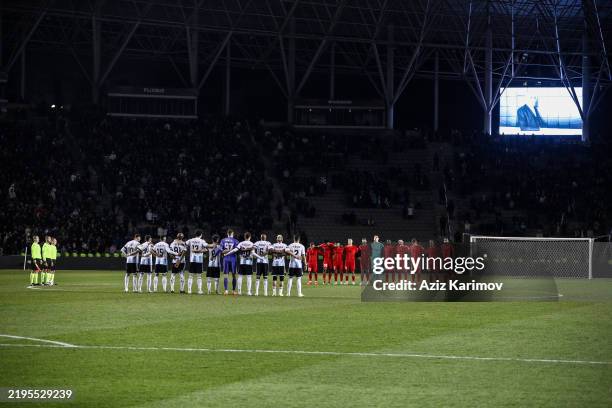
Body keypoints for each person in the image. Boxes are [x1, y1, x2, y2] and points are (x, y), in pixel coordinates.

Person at [185, 230, 208, 295]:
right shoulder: (202, 241)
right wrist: (203, 250)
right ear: (201, 235)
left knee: (190, 276)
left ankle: (189, 290)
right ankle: (199, 290)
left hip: (192, 260)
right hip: (199, 260)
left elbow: (184, 243)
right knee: (199, 276)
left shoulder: (191, 240)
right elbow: (206, 247)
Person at [220, 229, 240, 295]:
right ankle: (233, 291)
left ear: (227, 233)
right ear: (232, 234)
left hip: (225, 259)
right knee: (234, 275)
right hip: (233, 259)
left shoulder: (223, 240)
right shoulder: (235, 241)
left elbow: (221, 250)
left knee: (226, 275)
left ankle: (226, 290)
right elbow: (237, 250)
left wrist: (226, 251)